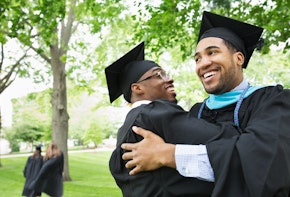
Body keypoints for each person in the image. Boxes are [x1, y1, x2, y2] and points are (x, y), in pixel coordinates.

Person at [121, 11, 290, 197]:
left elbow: (266, 166)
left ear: (239, 58)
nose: (203, 63)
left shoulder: (273, 101)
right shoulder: (196, 112)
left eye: (212, 52)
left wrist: (168, 155)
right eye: (197, 58)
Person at [106, 42, 239, 196]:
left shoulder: (125, 130)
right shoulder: (154, 114)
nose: (169, 79)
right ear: (137, 88)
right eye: (159, 75)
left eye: (166, 74)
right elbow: (224, 139)